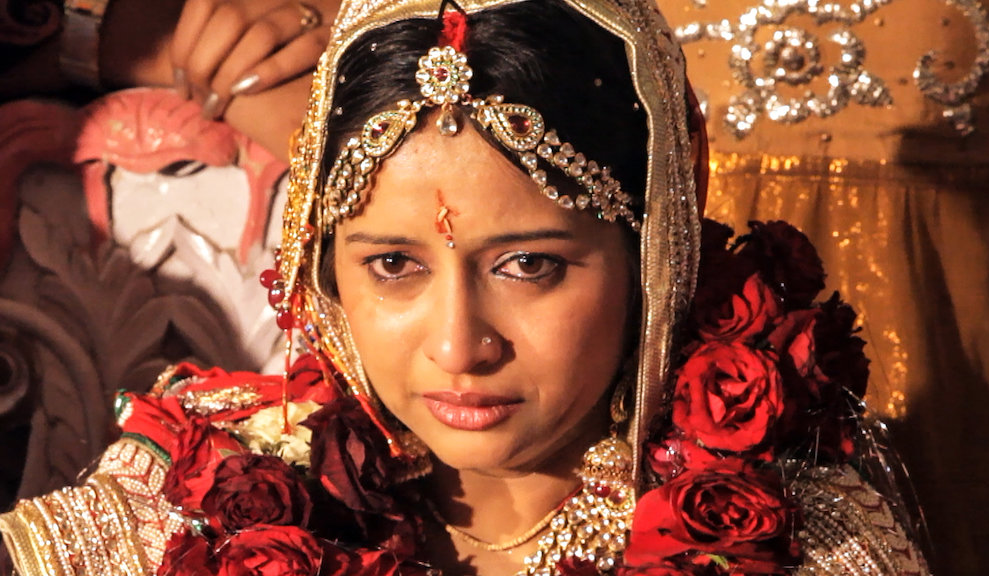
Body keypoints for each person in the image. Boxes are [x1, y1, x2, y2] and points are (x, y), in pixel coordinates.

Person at [0, 0, 933, 575]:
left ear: (656, 253)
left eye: (529, 265)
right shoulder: (197, 500)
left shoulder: (798, 539)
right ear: (324, 266)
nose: (459, 346)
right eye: (393, 265)